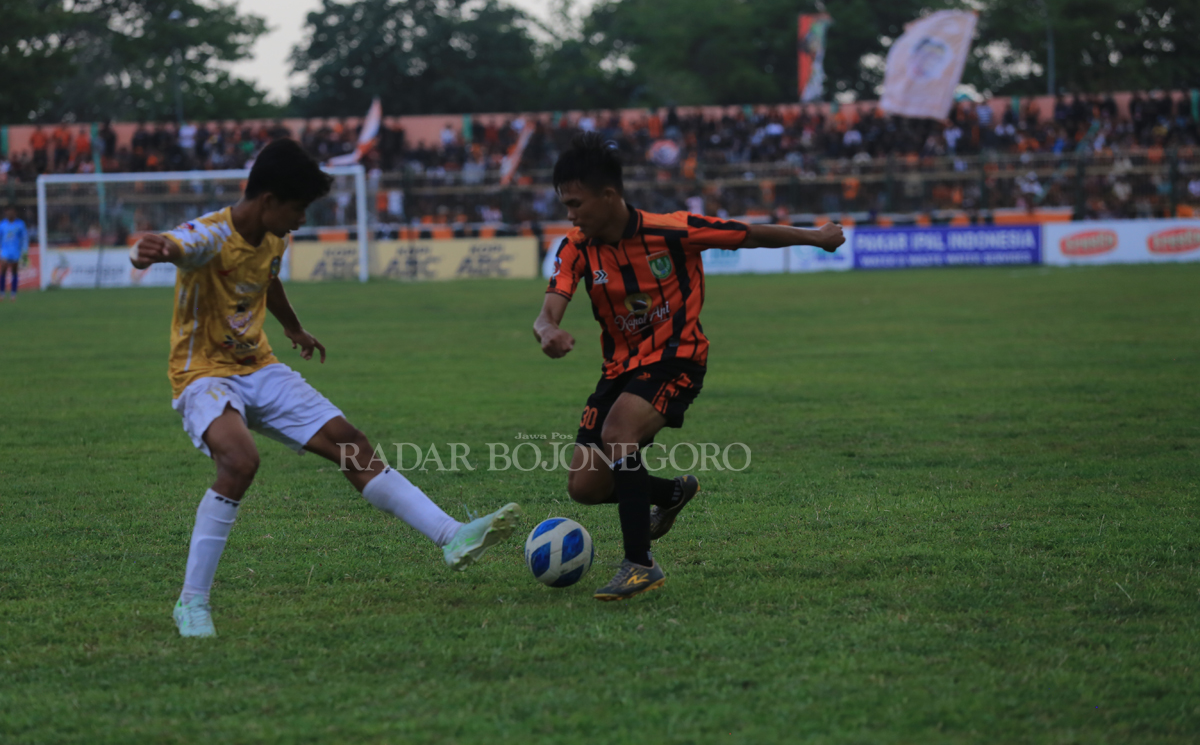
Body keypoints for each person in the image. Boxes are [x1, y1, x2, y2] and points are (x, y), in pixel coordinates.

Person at [130, 138, 520, 638]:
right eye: (298, 208)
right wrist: (153, 251)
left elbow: (267, 281)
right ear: (269, 199)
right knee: (240, 461)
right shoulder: (209, 234)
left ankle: (451, 535)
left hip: (259, 366)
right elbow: (176, 245)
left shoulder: (274, 237)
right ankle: (191, 603)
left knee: (350, 442)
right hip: (203, 374)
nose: (301, 220)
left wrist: (293, 327)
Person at [532, 133, 844, 602]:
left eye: (576, 204)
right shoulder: (575, 247)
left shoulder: (671, 231)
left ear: (609, 196)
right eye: (565, 205)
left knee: (619, 435)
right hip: (619, 370)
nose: (571, 215)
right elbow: (549, 306)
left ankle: (640, 564)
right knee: (586, 486)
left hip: (677, 357)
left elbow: (749, 234)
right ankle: (670, 494)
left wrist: (817, 238)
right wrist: (547, 330)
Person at [0, 206, 29, 300]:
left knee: (14, 272)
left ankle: (13, 294)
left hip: (16, 251)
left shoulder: (20, 224)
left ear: (15, 213)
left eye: (11, 212)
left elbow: (24, 238)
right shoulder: (2, 224)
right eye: (8, 212)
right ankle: (2, 293)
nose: (9, 214)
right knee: (3, 270)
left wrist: (24, 251)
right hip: (5, 251)